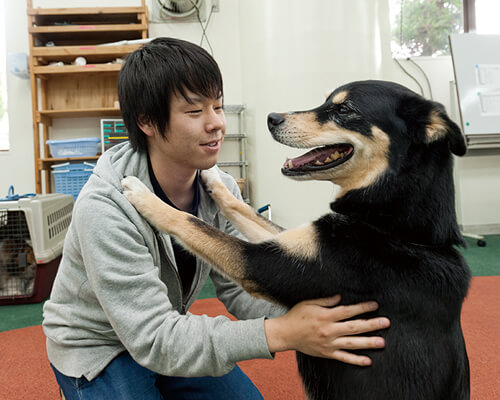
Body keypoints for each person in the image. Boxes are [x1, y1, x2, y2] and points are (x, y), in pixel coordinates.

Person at [42, 37, 390, 400]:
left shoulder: (217, 187)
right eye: (195, 113)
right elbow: (155, 339)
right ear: (146, 121)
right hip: (99, 347)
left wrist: (319, 313)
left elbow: (240, 286)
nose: (216, 124)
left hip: (165, 330)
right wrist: (284, 332)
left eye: (218, 107)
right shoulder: (105, 207)